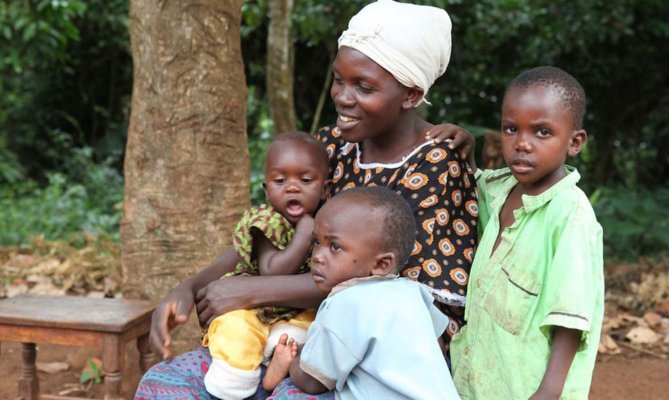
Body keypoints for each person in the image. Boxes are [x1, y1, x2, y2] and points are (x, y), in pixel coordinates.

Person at [135, 0, 476, 398]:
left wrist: (252, 291)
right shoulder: (332, 145)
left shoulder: (437, 164)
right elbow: (270, 226)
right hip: (293, 329)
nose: (343, 98)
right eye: (338, 80)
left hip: (370, 362)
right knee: (166, 385)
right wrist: (190, 286)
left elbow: (386, 291)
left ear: (411, 94)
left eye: (363, 87)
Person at [450, 67, 605, 400]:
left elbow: (571, 316)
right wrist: (465, 150)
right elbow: (468, 188)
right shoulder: (498, 190)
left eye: (542, 133)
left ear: (574, 142)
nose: (522, 144)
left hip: (529, 388)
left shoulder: (570, 216)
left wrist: (548, 391)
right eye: (511, 129)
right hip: (477, 381)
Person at [274, 187, 460, 399]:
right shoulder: (412, 290)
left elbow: (313, 381)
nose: (317, 256)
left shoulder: (345, 303)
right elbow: (438, 343)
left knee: (286, 392)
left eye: (334, 247)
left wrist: (295, 361)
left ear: (381, 264)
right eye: (317, 242)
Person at [202, 132, 329, 399]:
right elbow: (273, 271)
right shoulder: (264, 220)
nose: (292, 187)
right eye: (280, 181)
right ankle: (233, 381)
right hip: (255, 307)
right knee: (236, 326)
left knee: (316, 327)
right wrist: (305, 235)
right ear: (266, 188)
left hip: (297, 311)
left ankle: (278, 362)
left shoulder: (329, 221)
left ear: (325, 189)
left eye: (305, 180)